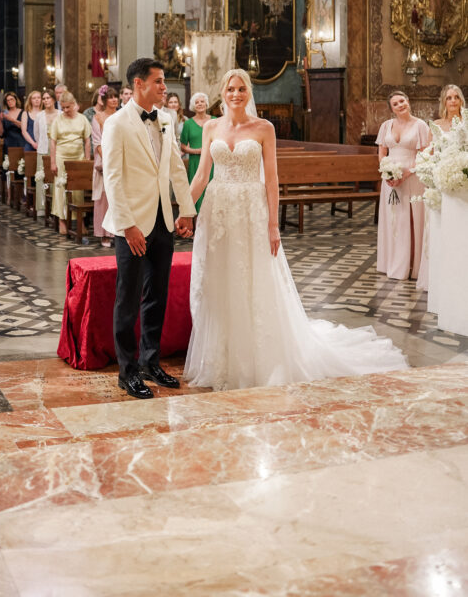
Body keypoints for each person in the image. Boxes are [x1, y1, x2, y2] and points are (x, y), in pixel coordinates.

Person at [183, 69, 407, 391]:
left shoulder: (263, 128)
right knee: (220, 280)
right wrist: (184, 209)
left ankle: (256, 360)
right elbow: (202, 175)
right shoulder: (210, 129)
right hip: (217, 213)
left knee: (252, 278)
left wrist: (273, 224)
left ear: (249, 93)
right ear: (222, 92)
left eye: (241, 88)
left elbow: (272, 179)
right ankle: (223, 357)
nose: (236, 94)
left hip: (251, 210)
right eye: (230, 88)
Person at [101, 58, 196, 399]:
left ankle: (149, 362)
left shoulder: (167, 119)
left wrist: (186, 209)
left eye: (163, 81)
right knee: (128, 300)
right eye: (158, 81)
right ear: (138, 84)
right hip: (133, 225)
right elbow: (112, 178)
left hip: (163, 221)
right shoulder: (117, 123)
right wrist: (127, 225)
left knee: (156, 296)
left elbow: (175, 168)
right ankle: (127, 372)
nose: (163, 87)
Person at [376, 90, 431, 281]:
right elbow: (382, 152)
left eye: (402, 101)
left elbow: (425, 155)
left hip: (413, 177)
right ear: (391, 109)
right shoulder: (386, 126)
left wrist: (406, 173)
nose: (400, 105)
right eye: (396, 104)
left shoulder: (421, 126)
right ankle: (392, 262)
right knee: (394, 220)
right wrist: (386, 171)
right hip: (390, 181)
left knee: (412, 219)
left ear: (408, 101)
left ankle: (411, 266)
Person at [423, 84, 467, 305]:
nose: (452, 101)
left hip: (462, 182)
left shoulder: (467, 123)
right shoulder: (437, 125)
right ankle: (441, 275)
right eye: (448, 98)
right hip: (442, 180)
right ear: (444, 102)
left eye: (456, 97)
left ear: (461, 100)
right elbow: (432, 153)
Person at [49, 91, 91, 235]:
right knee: (61, 188)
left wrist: (86, 159)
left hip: (78, 157)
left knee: (78, 191)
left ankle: (80, 222)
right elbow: (53, 142)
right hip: (62, 157)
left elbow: (87, 140)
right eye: (63, 107)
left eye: (68, 107)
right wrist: (53, 162)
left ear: (74, 104)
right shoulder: (57, 120)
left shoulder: (83, 119)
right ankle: (62, 221)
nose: (65, 110)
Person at [91, 86, 119, 247]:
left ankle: (116, 231)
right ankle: (103, 235)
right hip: (104, 162)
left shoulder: (121, 116)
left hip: (119, 160)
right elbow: (97, 142)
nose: (114, 99)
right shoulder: (98, 117)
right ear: (104, 100)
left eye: (116, 97)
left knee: (117, 197)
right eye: (111, 97)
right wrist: (109, 160)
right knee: (103, 199)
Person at [180, 91, 215, 212]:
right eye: (197, 102)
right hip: (195, 163)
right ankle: (196, 228)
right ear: (193, 106)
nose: (200, 104)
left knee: (212, 193)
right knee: (196, 194)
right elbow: (183, 147)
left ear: (207, 104)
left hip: (212, 162)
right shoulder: (188, 124)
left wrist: (207, 151)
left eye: (202, 101)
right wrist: (197, 151)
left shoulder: (215, 121)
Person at [35, 88, 59, 214]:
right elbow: (37, 134)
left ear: (53, 99)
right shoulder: (39, 116)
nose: (45, 100)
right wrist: (43, 144)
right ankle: (42, 207)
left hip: (57, 150)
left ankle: (56, 206)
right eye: (43, 98)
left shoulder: (60, 114)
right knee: (42, 178)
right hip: (43, 149)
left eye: (48, 98)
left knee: (56, 178)